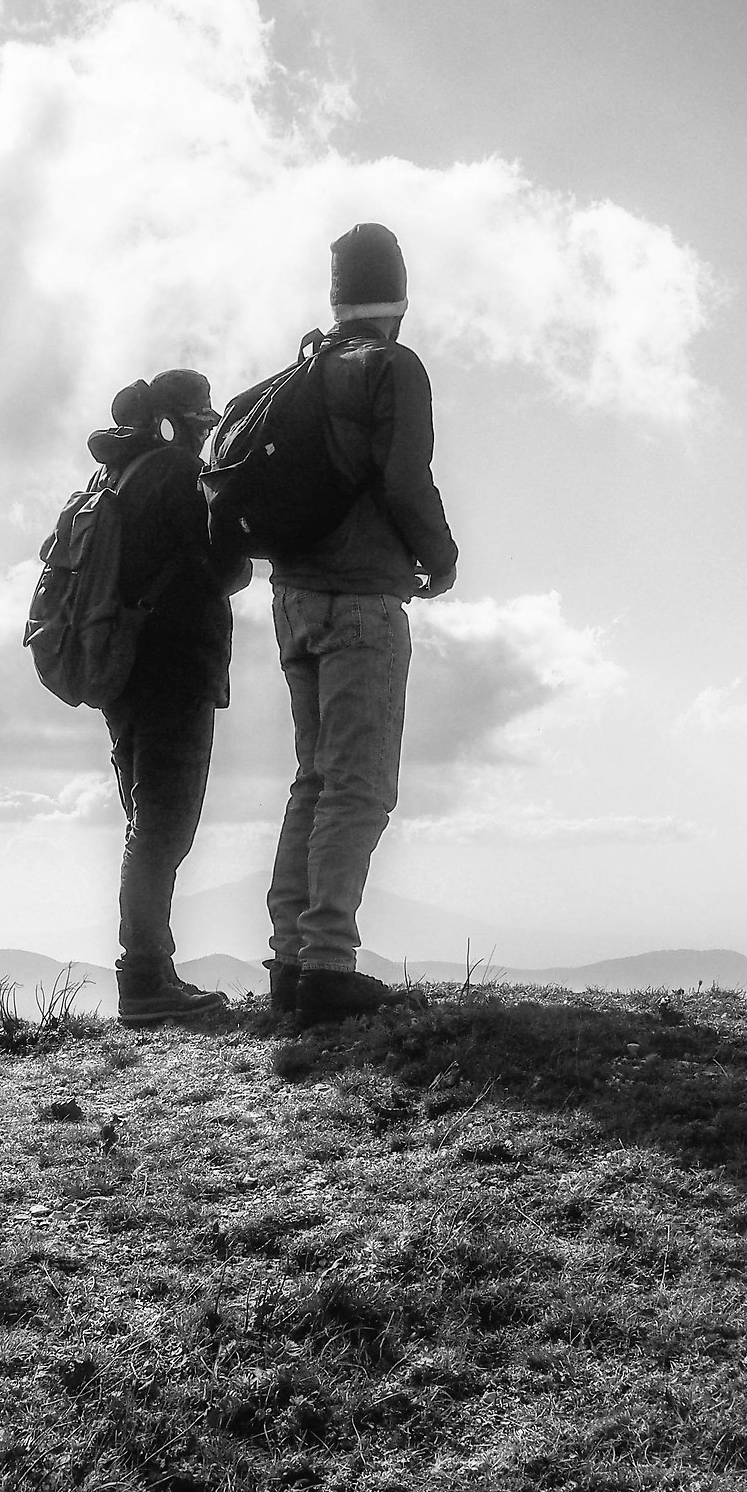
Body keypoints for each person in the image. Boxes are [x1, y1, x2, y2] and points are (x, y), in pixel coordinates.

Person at [264, 223, 458, 1024]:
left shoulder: (302, 369)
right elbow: (407, 479)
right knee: (362, 786)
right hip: (361, 600)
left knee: (314, 778)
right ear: (400, 302)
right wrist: (439, 557)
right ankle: (327, 967)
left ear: (337, 297)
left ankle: (290, 961)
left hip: (294, 599)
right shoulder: (392, 367)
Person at [88, 370, 251, 1025]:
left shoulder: (116, 477)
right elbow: (222, 568)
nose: (208, 433)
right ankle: (146, 979)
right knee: (162, 828)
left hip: (124, 673)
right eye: (204, 422)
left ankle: (148, 974)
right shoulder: (177, 473)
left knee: (145, 822)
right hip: (174, 668)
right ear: (182, 419)